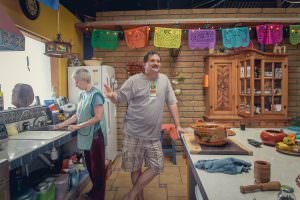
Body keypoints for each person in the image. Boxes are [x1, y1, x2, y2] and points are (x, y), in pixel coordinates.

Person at [104, 51, 184, 200]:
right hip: (133, 133)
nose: (156, 63)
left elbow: (172, 102)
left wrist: (178, 125)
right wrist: (112, 96)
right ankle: (138, 197)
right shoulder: (134, 81)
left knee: (156, 166)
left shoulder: (164, 80)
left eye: (158, 61)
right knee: (135, 168)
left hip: (153, 135)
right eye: (152, 60)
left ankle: (132, 194)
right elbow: (120, 98)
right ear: (145, 64)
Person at [54, 68, 106, 200]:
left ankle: (98, 196)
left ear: (83, 80)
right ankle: (94, 192)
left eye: (76, 81)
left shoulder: (96, 95)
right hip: (86, 137)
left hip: (95, 137)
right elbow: (77, 115)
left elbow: (97, 117)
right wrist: (61, 124)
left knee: (98, 169)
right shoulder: (83, 95)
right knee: (90, 167)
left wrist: (78, 126)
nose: (75, 84)